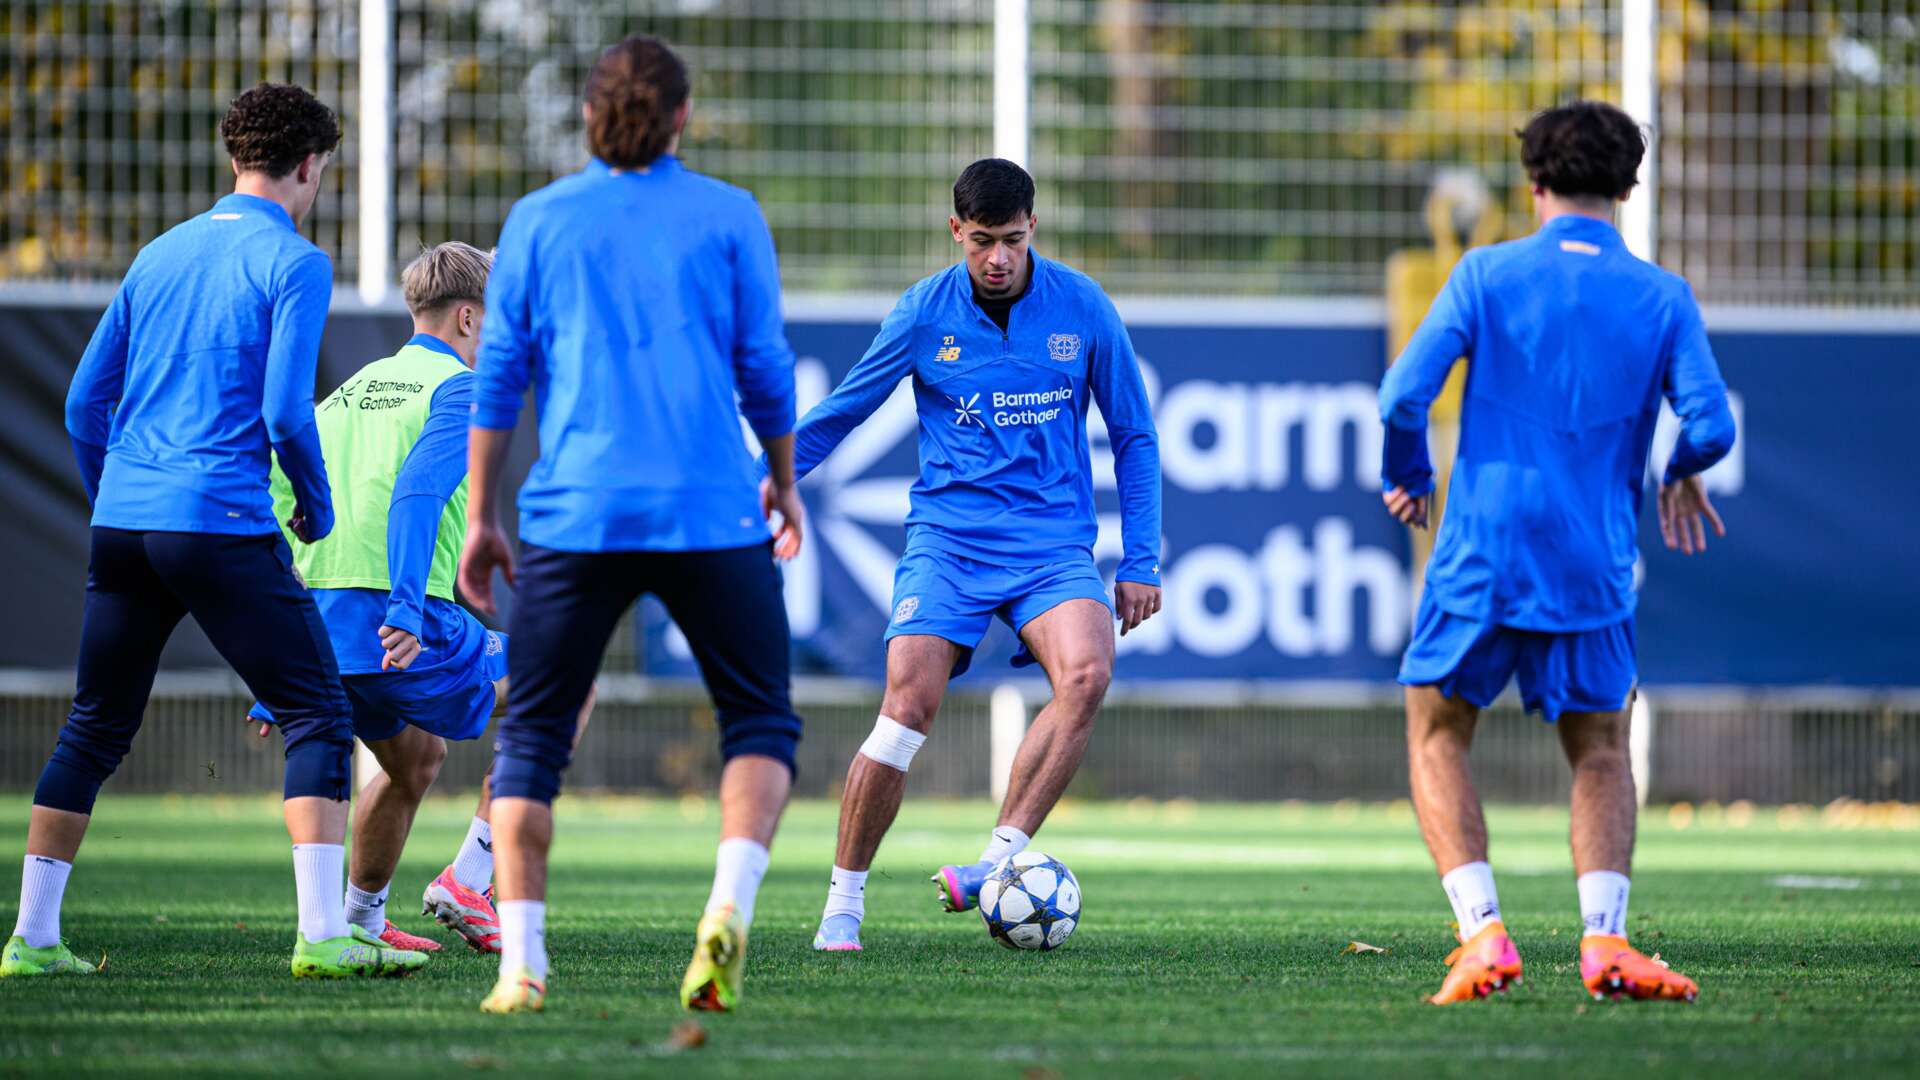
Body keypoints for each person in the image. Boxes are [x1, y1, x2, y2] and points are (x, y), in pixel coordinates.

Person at [3, 84, 427, 980]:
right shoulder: (295, 261)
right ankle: (323, 936)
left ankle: (32, 941)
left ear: (235, 156)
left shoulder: (158, 255)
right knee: (318, 711)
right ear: (311, 166)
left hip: (125, 523)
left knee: (91, 727)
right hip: (223, 518)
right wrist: (313, 499)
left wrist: (113, 497)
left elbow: (85, 404)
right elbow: (283, 409)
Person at [460, 35, 805, 1015]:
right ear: (683, 118)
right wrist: (780, 482)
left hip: (575, 516)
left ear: (586, 117)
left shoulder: (537, 220)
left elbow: (500, 378)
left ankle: (520, 964)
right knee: (760, 723)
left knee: (529, 739)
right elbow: (766, 370)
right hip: (711, 508)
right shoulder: (730, 215)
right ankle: (725, 911)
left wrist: (484, 515)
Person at [1378, 100, 1736, 1006]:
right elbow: (1713, 426)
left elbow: (1399, 397)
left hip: (1483, 554)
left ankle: (1483, 932)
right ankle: (1608, 943)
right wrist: (1679, 470)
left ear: (1532, 184)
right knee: (1603, 750)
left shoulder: (1484, 274)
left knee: (1437, 729)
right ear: (1628, 187)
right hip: (1593, 562)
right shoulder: (1662, 296)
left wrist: (1411, 473)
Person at [796, 158, 1163, 953]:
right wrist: (769, 487)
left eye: (1012, 240)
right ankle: (843, 905)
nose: (997, 258)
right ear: (955, 231)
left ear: (1035, 228)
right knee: (905, 710)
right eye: (982, 242)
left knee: (1089, 673)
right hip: (949, 545)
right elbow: (841, 413)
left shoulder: (1084, 308)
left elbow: (1134, 435)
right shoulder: (924, 313)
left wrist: (1141, 559)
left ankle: (993, 864)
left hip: (1051, 547)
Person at [245, 242, 593, 956]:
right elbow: (417, 496)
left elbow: (274, 503)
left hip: (319, 625)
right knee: (570, 678)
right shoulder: (459, 388)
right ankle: (471, 879)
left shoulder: (345, 393)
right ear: (469, 318)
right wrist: (406, 607)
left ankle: (363, 922)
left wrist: (275, 653)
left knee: (415, 760)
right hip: (400, 617)